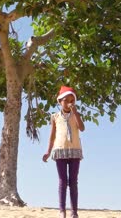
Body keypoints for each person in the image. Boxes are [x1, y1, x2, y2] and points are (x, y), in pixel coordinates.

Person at [43, 86, 85, 218]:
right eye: (66, 100)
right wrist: (48, 152)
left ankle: (74, 212)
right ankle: (62, 210)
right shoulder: (55, 117)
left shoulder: (75, 115)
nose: (69, 103)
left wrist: (76, 113)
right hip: (60, 151)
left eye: (72, 101)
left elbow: (82, 128)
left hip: (74, 151)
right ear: (59, 101)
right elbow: (52, 136)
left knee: (73, 181)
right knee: (62, 181)